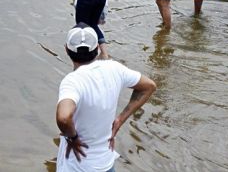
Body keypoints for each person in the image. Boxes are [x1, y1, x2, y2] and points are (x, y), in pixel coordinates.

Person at [56, 23, 156, 172]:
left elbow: (63, 118)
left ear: (66, 49)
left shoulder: (72, 81)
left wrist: (73, 138)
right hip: (106, 163)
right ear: (97, 48)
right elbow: (149, 86)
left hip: (78, 166)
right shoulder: (114, 68)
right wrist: (120, 120)